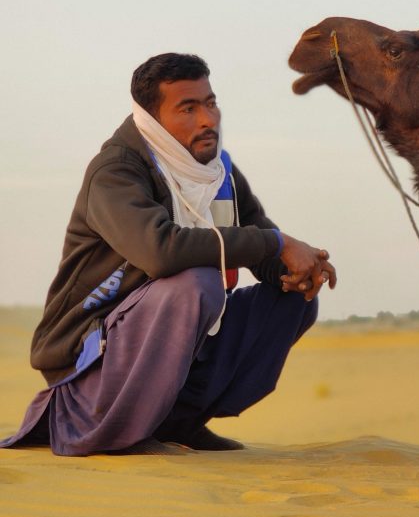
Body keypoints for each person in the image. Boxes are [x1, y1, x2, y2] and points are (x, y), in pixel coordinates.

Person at [1, 53, 336, 455]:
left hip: (172, 342)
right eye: (188, 108)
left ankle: (179, 421)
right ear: (151, 118)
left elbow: (259, 243)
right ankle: (122, 431)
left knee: (293, 300)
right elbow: (161, 252)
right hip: (92, 359)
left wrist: (297, 268)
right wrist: (278, 243)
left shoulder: (218, 172)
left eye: (210, 103)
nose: (208, 119)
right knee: (196, 281)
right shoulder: (116, 171)